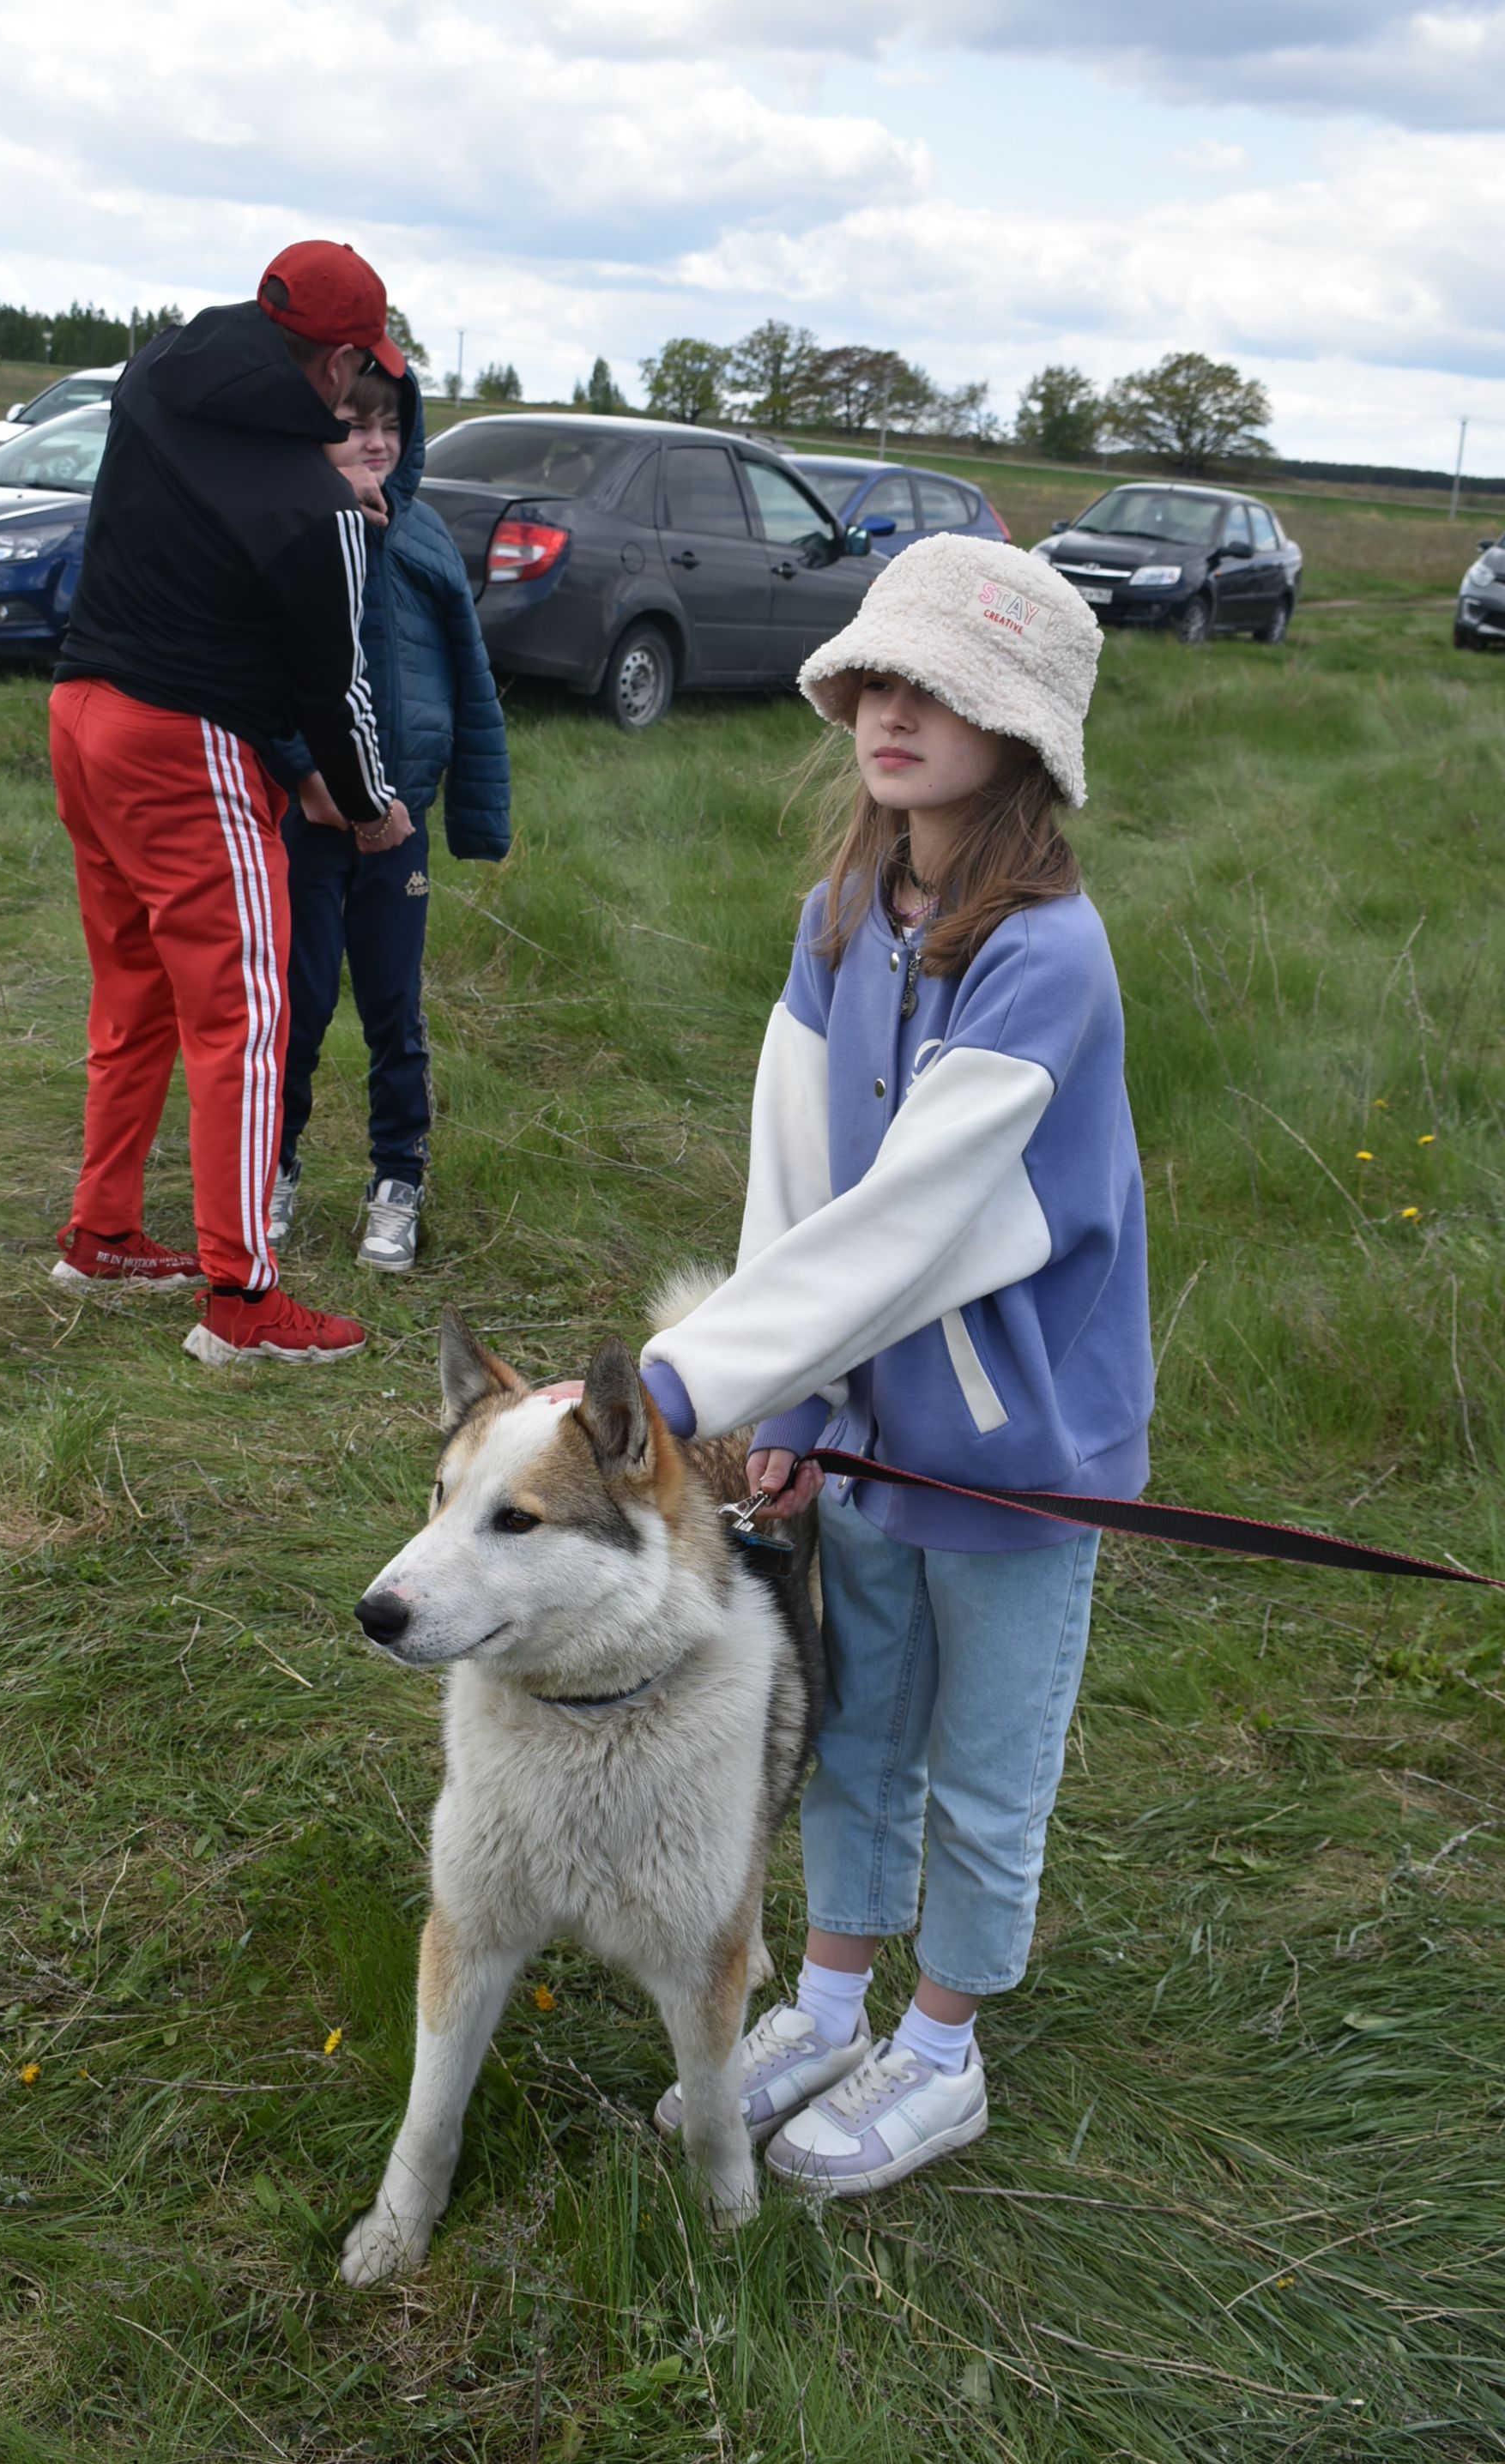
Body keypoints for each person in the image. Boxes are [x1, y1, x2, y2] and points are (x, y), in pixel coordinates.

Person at [634, 535, 1154, 2194]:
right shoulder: (844, 908)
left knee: (988, 1765)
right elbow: (797, 1179)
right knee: (856, 1737)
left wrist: (676, 1386)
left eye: (945, 686)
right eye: (877, 672)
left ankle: (942, 2051)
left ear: (1027, 737)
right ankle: (832, 1999)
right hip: (862, 1434)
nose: (891, 707)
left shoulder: (1047, 955)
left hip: (1016, 1455)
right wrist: (787, 1405)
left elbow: (915, 1218)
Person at [48, 240, 414, 1365]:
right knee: (244, 1022)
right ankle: (243, 1299)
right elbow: (332, 686)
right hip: (184, 745)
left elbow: (215, 581)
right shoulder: (319, 511)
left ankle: (103, 1231)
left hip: (80, 710)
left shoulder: (161, 371)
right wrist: (363, 804)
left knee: (138, 995)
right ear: (342, 356)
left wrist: (299, 766)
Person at [269, 365, 511, 1271]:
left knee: (393, 1010)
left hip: (399, 825)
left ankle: (396, 1179)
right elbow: (264, 672)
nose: (375, 443)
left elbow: (472, 680)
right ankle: (275, 1168)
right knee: (297, 1006)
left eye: (391, 427)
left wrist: (475, 812)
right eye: (350, 425)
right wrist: (300, 774)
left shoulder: (426, 536)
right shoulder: (290, 528)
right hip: (310, 819)